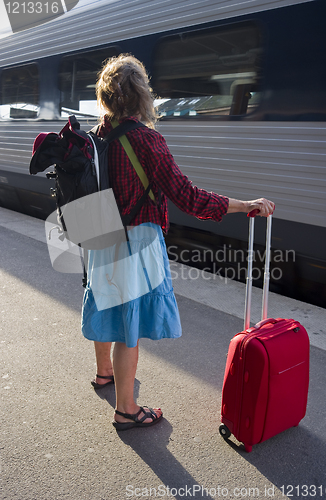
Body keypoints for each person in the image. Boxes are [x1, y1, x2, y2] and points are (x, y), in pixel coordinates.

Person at [81, 54, 275, 431]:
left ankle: (104, 372)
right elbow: (187, 197)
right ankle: (126, 409)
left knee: (107, 302)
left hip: (98, 233)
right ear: (142, 95)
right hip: (135, 239)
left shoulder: (95, 136)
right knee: (129, 325)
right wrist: (243, 205)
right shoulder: (147, 140)